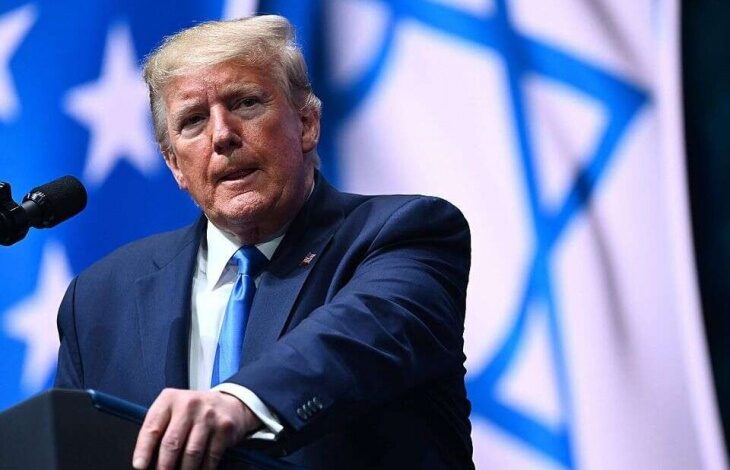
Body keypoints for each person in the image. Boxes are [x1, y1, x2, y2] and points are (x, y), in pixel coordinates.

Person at [55, 15, 473, 469]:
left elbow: (359, 336)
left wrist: (241, 402)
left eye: (247, 103)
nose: (222, 135)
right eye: (193, 121)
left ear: (307, 123)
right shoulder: (99, 299)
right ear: (174, 164)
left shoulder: (406, 233)